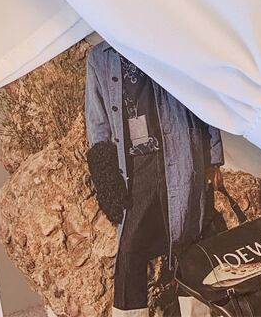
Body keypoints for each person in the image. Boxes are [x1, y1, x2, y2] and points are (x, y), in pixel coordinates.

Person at [85, 40, 224, 317]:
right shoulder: (100, 57)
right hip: (134, 169)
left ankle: (198, 312)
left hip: (182, 156)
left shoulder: (163, 38)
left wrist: (213, 157)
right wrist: (106, 180)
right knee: (130, 251)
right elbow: (97, 123)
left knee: (189, 241)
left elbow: (201, 98)